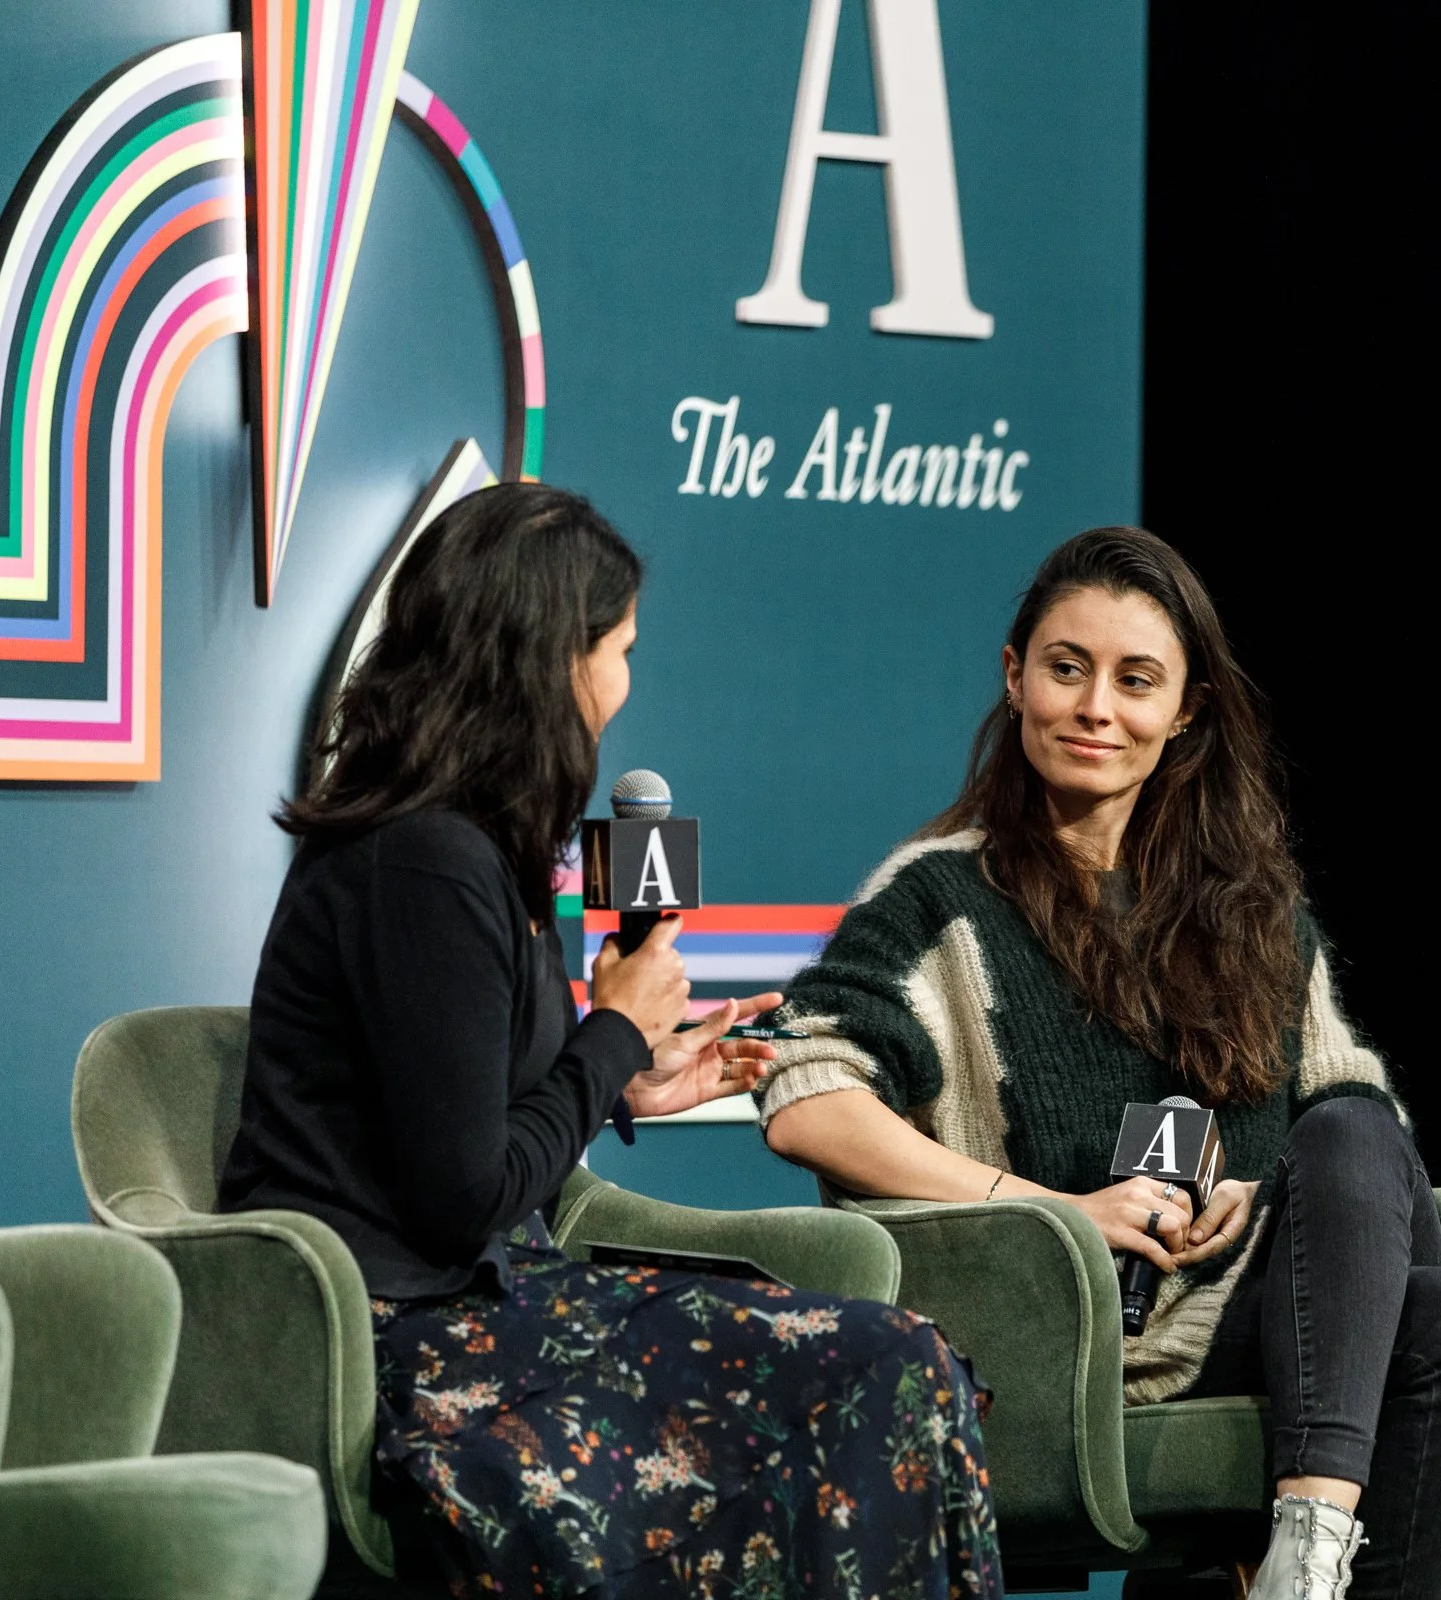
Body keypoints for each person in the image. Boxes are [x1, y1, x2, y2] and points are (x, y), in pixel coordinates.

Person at [220, 483, 1001, 1600]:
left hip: (484, 1302)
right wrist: (615, 1030)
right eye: (619, 649)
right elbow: (457, 1195)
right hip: (407, 1339)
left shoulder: (468, 845)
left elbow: (452, 1106)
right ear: (549, 662)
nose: (625, 685)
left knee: (885, 1363)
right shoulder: (425, 861)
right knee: (878, 1369)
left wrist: (629, 1080)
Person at [759, 527, 1441, 1600]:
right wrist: (1058, 1209)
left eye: (1136, 680)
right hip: (1064, 1334)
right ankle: (1293, 1565)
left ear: (1188, 710)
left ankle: (1301, 1561)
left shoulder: (1248, 908)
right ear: (1015, 677)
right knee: (1430, 1285)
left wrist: (1272, 1197)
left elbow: (1351, 1102)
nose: (1095, 709)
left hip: (1249, 1316)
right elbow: (807, 1102)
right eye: (1066, 669)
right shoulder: (941, 898)